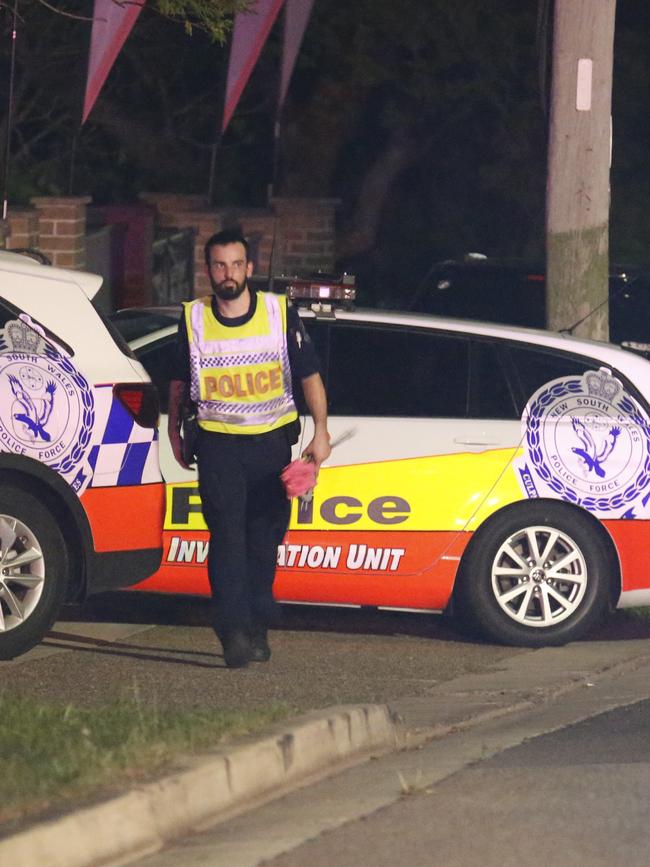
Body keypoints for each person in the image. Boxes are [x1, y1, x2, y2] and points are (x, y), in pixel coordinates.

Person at [168, 228, 331, 668]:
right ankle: (233, 633)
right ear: (208, 271)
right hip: (218, 446)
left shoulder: (278, 313)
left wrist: (321, 430)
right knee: (226, 541)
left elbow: (310, 375)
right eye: (219, 265)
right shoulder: (195, 317)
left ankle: (257, 622)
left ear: (250, 269)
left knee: (263, 541)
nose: (228, 273)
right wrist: (174, 431)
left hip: (270, 447)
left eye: (236, 264)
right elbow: (181, 380)